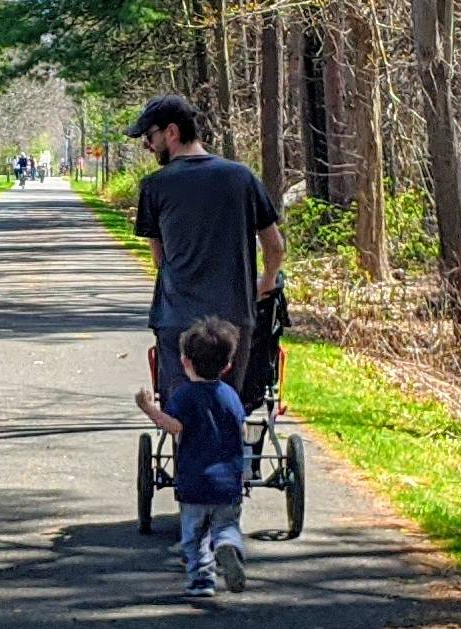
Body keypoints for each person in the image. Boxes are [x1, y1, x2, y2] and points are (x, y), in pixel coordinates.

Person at [125, 94, 285, 402]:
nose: (148, 145)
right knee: (229, 406)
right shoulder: (242, 178)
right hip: (234, 318)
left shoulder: (154, 186)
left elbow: (160, 258)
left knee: (183, 410)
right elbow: (275, 246)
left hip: (178, 319)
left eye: (150, 136)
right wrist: (265, 283)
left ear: (171, 132)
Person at [135, 316, 247, 597]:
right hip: (229, 484)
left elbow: (174, 427)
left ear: (185, 362)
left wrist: (149, 409)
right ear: (228, 365)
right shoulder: (231, 396)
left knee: (194, 538)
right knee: (227, 525)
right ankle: (227, 545)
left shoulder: (184, 396)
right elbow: (242, 429)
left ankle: (202, 581)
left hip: (194, 483)